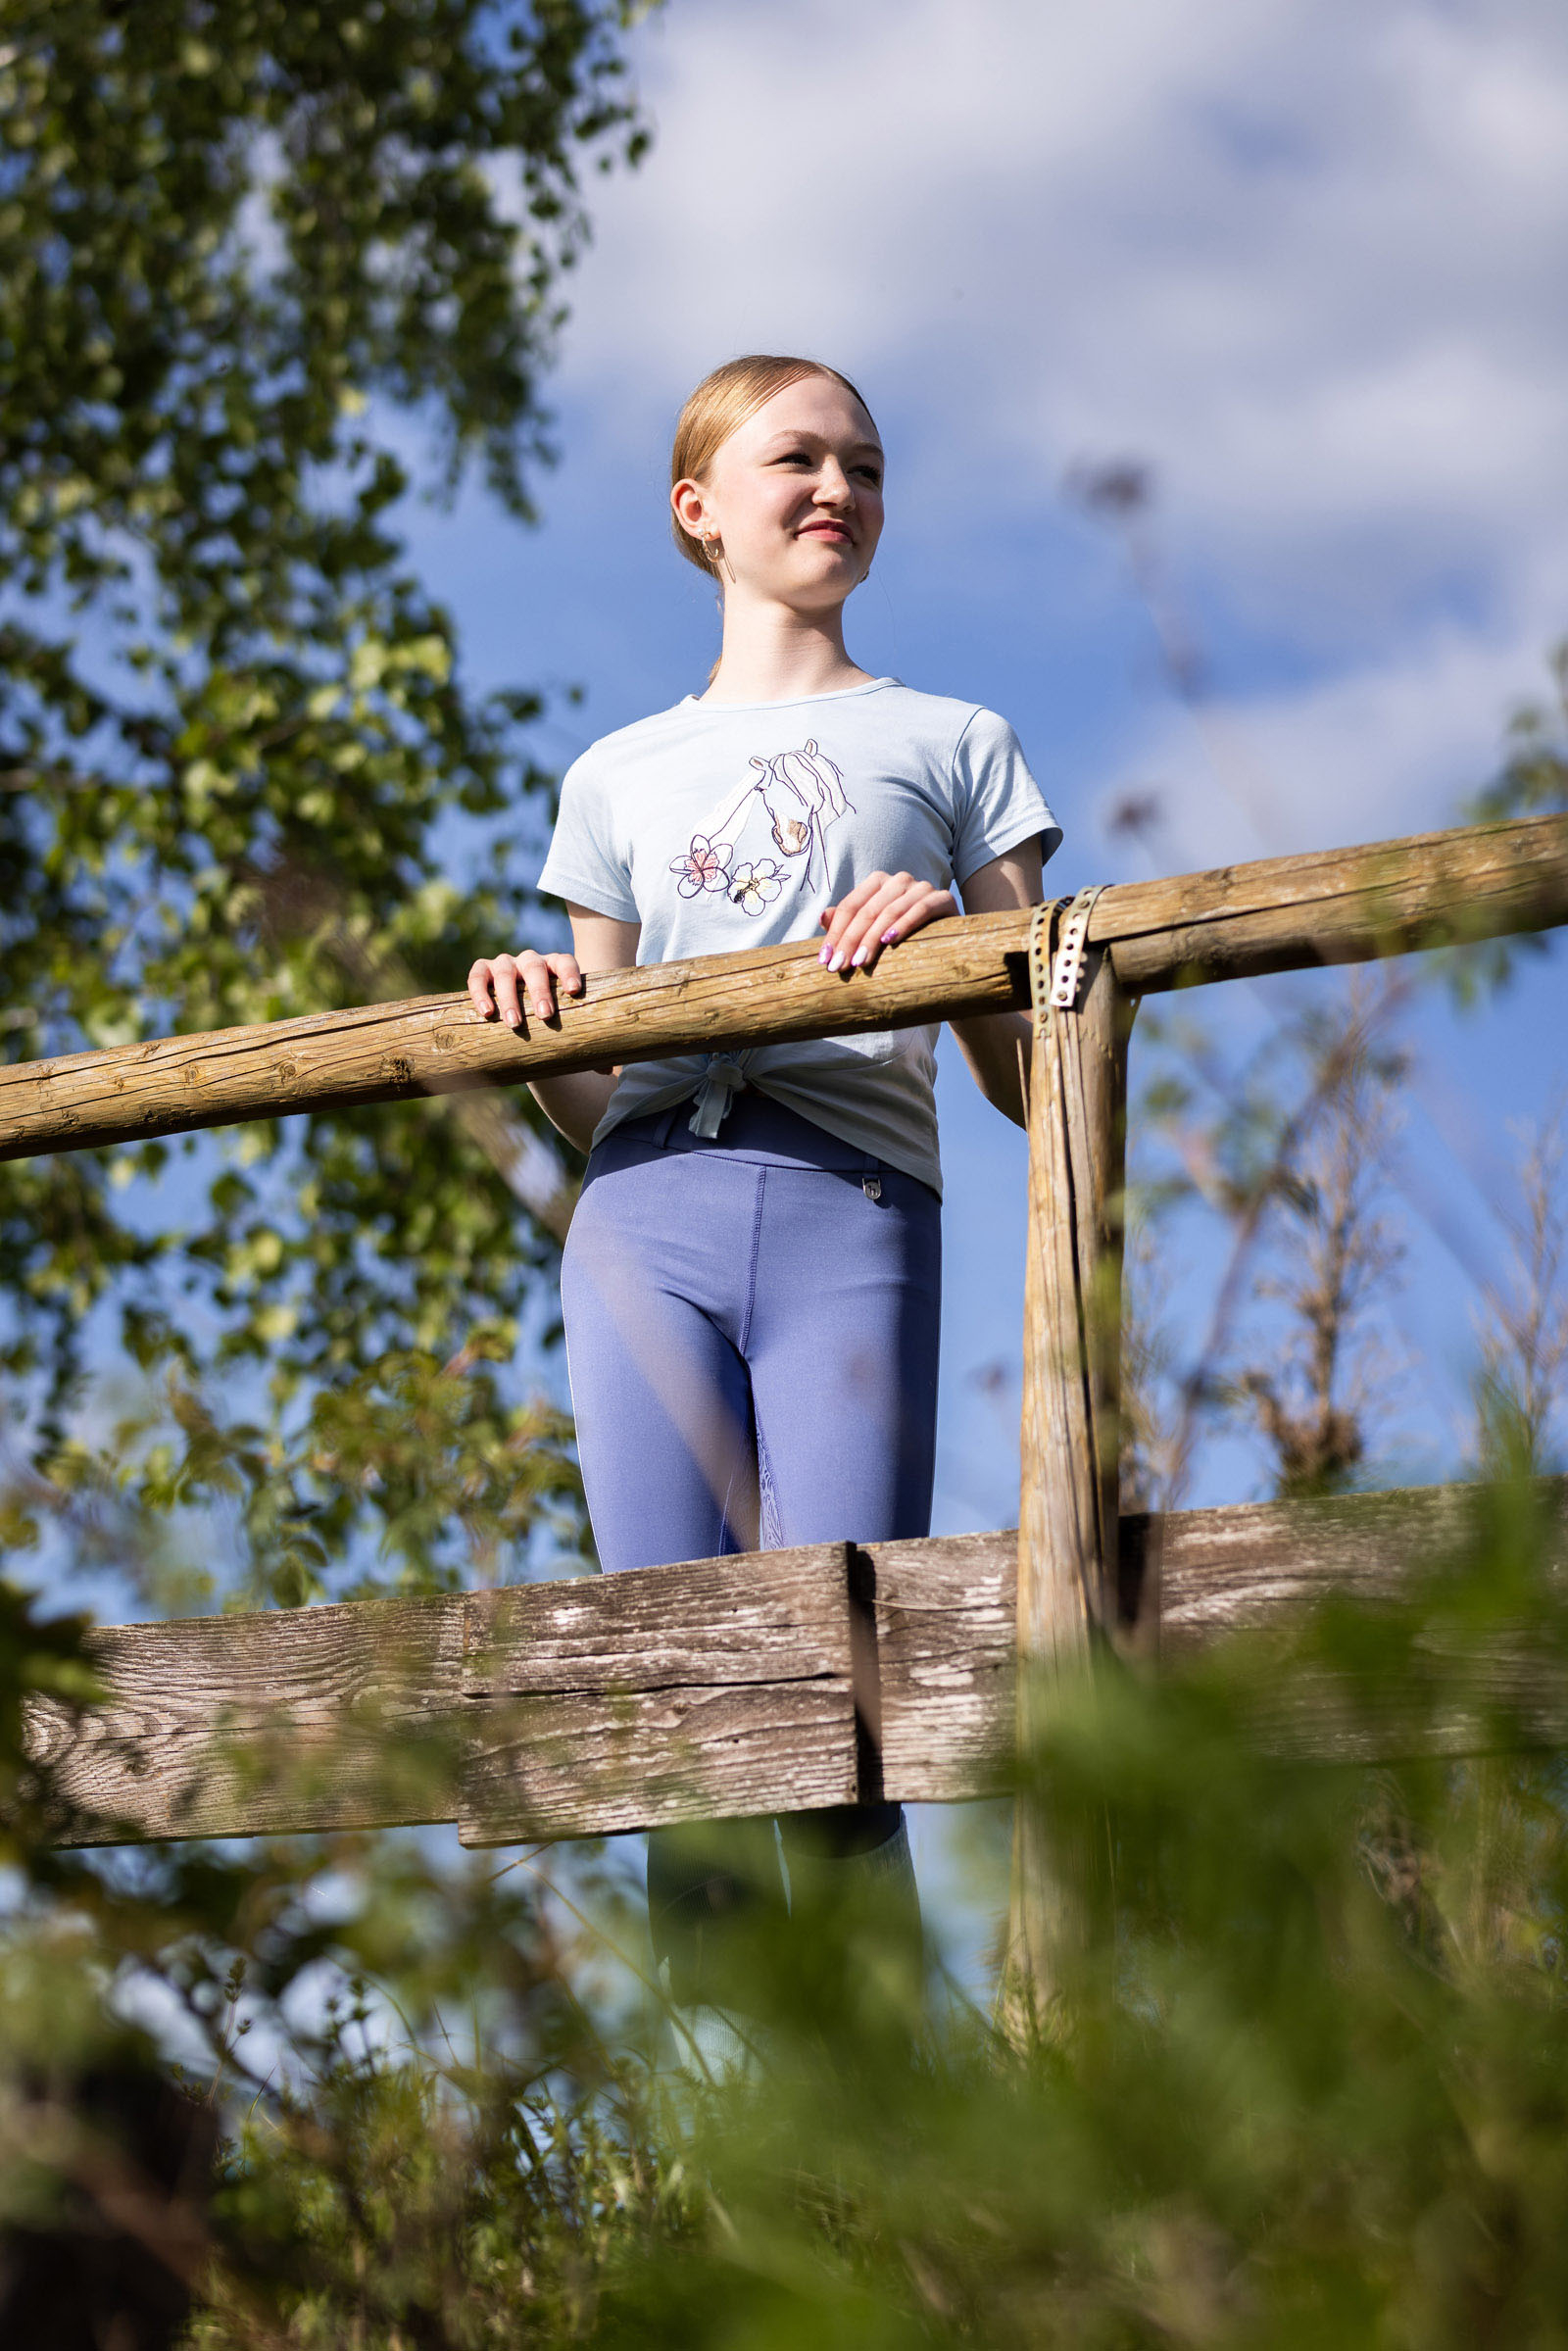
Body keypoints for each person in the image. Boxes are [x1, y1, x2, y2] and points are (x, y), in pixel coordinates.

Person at [468, 353, 1061, 2047]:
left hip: (851, 1203)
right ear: (699, 511)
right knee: (680, 1689)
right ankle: (722, 2154)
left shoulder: (955, 743)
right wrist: (533, 1028)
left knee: (836, 1664)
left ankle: (898, 2125)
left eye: (865, 466)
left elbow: (1041, 1072)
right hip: (641, 1220)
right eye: (796, 460)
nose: (837, 490)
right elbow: (594, 1102)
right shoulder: (613, 775)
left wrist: (951, 948)